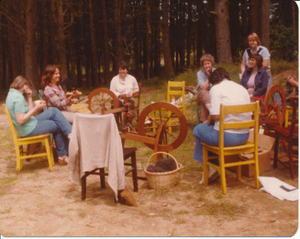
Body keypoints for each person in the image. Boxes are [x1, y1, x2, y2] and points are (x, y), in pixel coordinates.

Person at [193, 68, 251, 183]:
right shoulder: (242, 88)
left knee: (198, 129)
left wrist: (209, 118)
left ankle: (212, 167)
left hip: (227, 137)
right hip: (245, 136)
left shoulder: (216, 88)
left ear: (213, 81)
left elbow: (216, 116)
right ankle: (213, 166)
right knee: (208, 130)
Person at [6, 75, 72, 165]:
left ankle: (69, 133)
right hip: (28, 128)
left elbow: (29, 113)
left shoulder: (12, 94)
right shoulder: (18, 98)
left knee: (54, 111)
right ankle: (63, 155)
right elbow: (20, 120)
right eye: (28, 86)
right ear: (23, 85)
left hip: (28, 124)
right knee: (57, 124)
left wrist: (29, 97)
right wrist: (36, 108)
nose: (28, 88)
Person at [196, 54, 216, 123]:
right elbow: (203, 88)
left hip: (213, 94)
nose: (207, 66)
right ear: (203, 65)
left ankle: (204, 121)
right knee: (203, 93)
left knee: (204, 101)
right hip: (203, 94)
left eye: (208, 63)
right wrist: (208, 77)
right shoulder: (199, 73)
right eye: (205, 64)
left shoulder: (216, 71)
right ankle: (213, 113)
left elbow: (217, 86)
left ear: (212, 64)